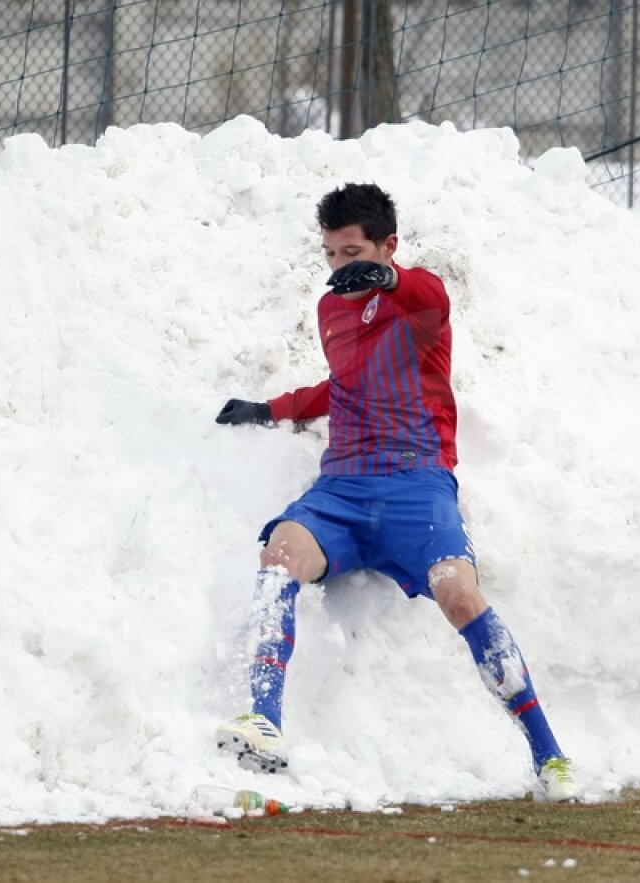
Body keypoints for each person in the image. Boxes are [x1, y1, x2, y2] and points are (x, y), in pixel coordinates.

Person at [213, 183, 579, 802]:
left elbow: (431, 296)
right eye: (330, 254)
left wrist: (388, 282)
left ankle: (550, 755)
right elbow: (343, 383)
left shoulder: (417, 303)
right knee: (280, 552)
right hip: (343, 490)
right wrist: (271, 408)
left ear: (388, 246)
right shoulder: (330, 310)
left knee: (457, 591)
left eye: (353, 253)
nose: (339, 268)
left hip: (417, 484)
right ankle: (264, 721)